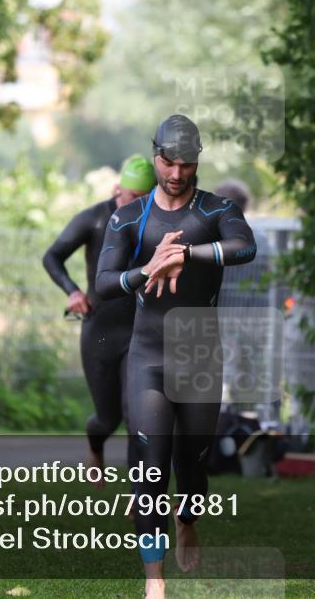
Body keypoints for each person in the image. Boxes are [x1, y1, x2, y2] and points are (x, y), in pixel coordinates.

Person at [95, 115, 257, 599]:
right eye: (169, 162)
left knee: (192, 462)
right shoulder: (130, 217)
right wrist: (145, 270)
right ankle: (154, 579)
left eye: (187, 164)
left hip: (200, 357)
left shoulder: (216, 209)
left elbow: (244, 247)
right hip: (148, 356)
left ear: (197, 161)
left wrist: (187, 254)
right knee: (150, 463)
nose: (177, 173)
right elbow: (104, 284)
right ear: (156, 156)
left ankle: (187, 518)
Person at [42, 155, 156, 485]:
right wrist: (73, 292)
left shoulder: (157, 221)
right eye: (135, 198)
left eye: (148, 198)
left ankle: (142, 496)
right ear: (117, 189)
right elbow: (52, 256)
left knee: (139, 418)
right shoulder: (93, 219)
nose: (142, 205)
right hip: (101, 330)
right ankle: (95, 446)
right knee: (108, 419)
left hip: (141, 331)